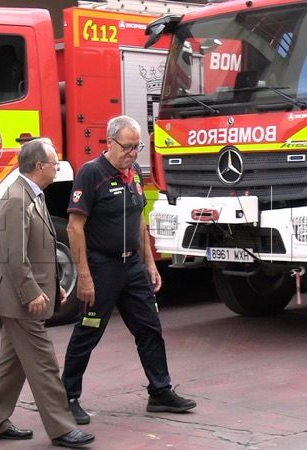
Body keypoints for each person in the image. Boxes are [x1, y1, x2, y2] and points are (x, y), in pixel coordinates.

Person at [62, 115, 196, 425]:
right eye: (127, 147)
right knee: (88, 331)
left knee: (149, 328)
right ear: (109, 143)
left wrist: (149, 262)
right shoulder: (90, 174)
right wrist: (83, 275)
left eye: (137, 148)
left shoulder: (134, 173)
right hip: (101, 267)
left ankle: (160, 392)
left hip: (132, 265)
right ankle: (67, 397)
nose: (133, 154)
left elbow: (139, 218)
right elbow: (74, 227)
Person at [0, 138, 95, 448]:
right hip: (17, 299)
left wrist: (52, 283)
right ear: (39, 166)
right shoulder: (17, 199)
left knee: (11, 363)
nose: (57, 167)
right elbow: (13, 256)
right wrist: (32, 292)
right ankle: (61, 428)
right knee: (44, 363)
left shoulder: (33, 195)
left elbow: (38, 249)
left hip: (22, 295)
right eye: (54, 163)